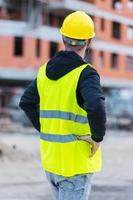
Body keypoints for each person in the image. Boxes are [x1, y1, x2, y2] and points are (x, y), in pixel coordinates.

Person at [19, 11, 106, 200]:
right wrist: (97, 138)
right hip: (75, 167)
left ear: (62, 38)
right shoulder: (86, 74)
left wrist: (47, 128)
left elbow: (26, 102)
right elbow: (95, 105)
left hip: (52, 162)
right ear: (89, 42)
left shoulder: (43, 72)